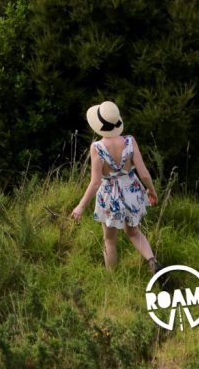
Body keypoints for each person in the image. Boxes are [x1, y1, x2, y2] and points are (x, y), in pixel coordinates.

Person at [70, 100, 160, 272]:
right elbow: (144, 173)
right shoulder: (130, 141)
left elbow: (95, 182)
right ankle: (152, 261)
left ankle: (111, 279)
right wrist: (151, 191)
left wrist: (80, 207)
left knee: (110, 240)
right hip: (131, 190)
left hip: (110, 196)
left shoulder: (97, 147)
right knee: (133, 232)